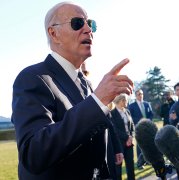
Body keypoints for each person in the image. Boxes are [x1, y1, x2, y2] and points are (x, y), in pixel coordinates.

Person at [11, 2, 133, 179]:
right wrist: (97, 101)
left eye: (91, 24)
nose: (88, 29)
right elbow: (34, 153)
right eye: (77, 23)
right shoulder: (32, 78)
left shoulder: (87, 84)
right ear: (54, 34)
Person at [111, 94, 135, 180]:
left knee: (130, 166)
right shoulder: (112, 113)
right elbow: (114, 129)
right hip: (119, 144)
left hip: (129, 143)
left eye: (126, 100)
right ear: (118, 101)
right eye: (124, 100)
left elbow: (132, 125)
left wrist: (131, 136)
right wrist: (127, 137)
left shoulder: (127, 111)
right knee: (118, 168)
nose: (126, 102)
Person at [128, 89, 153, 169]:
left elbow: (151, 114)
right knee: (140, 146)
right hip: (138, 128)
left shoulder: (147, 104)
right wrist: (140, 121)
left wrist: (148, 121)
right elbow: (130, 117)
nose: (140, 95)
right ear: (135, 96)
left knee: (148, 145)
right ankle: (140, 163)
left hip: (148, 127)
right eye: (138, 94)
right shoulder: (132, 106)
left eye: (141, 94)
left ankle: (148, 161)